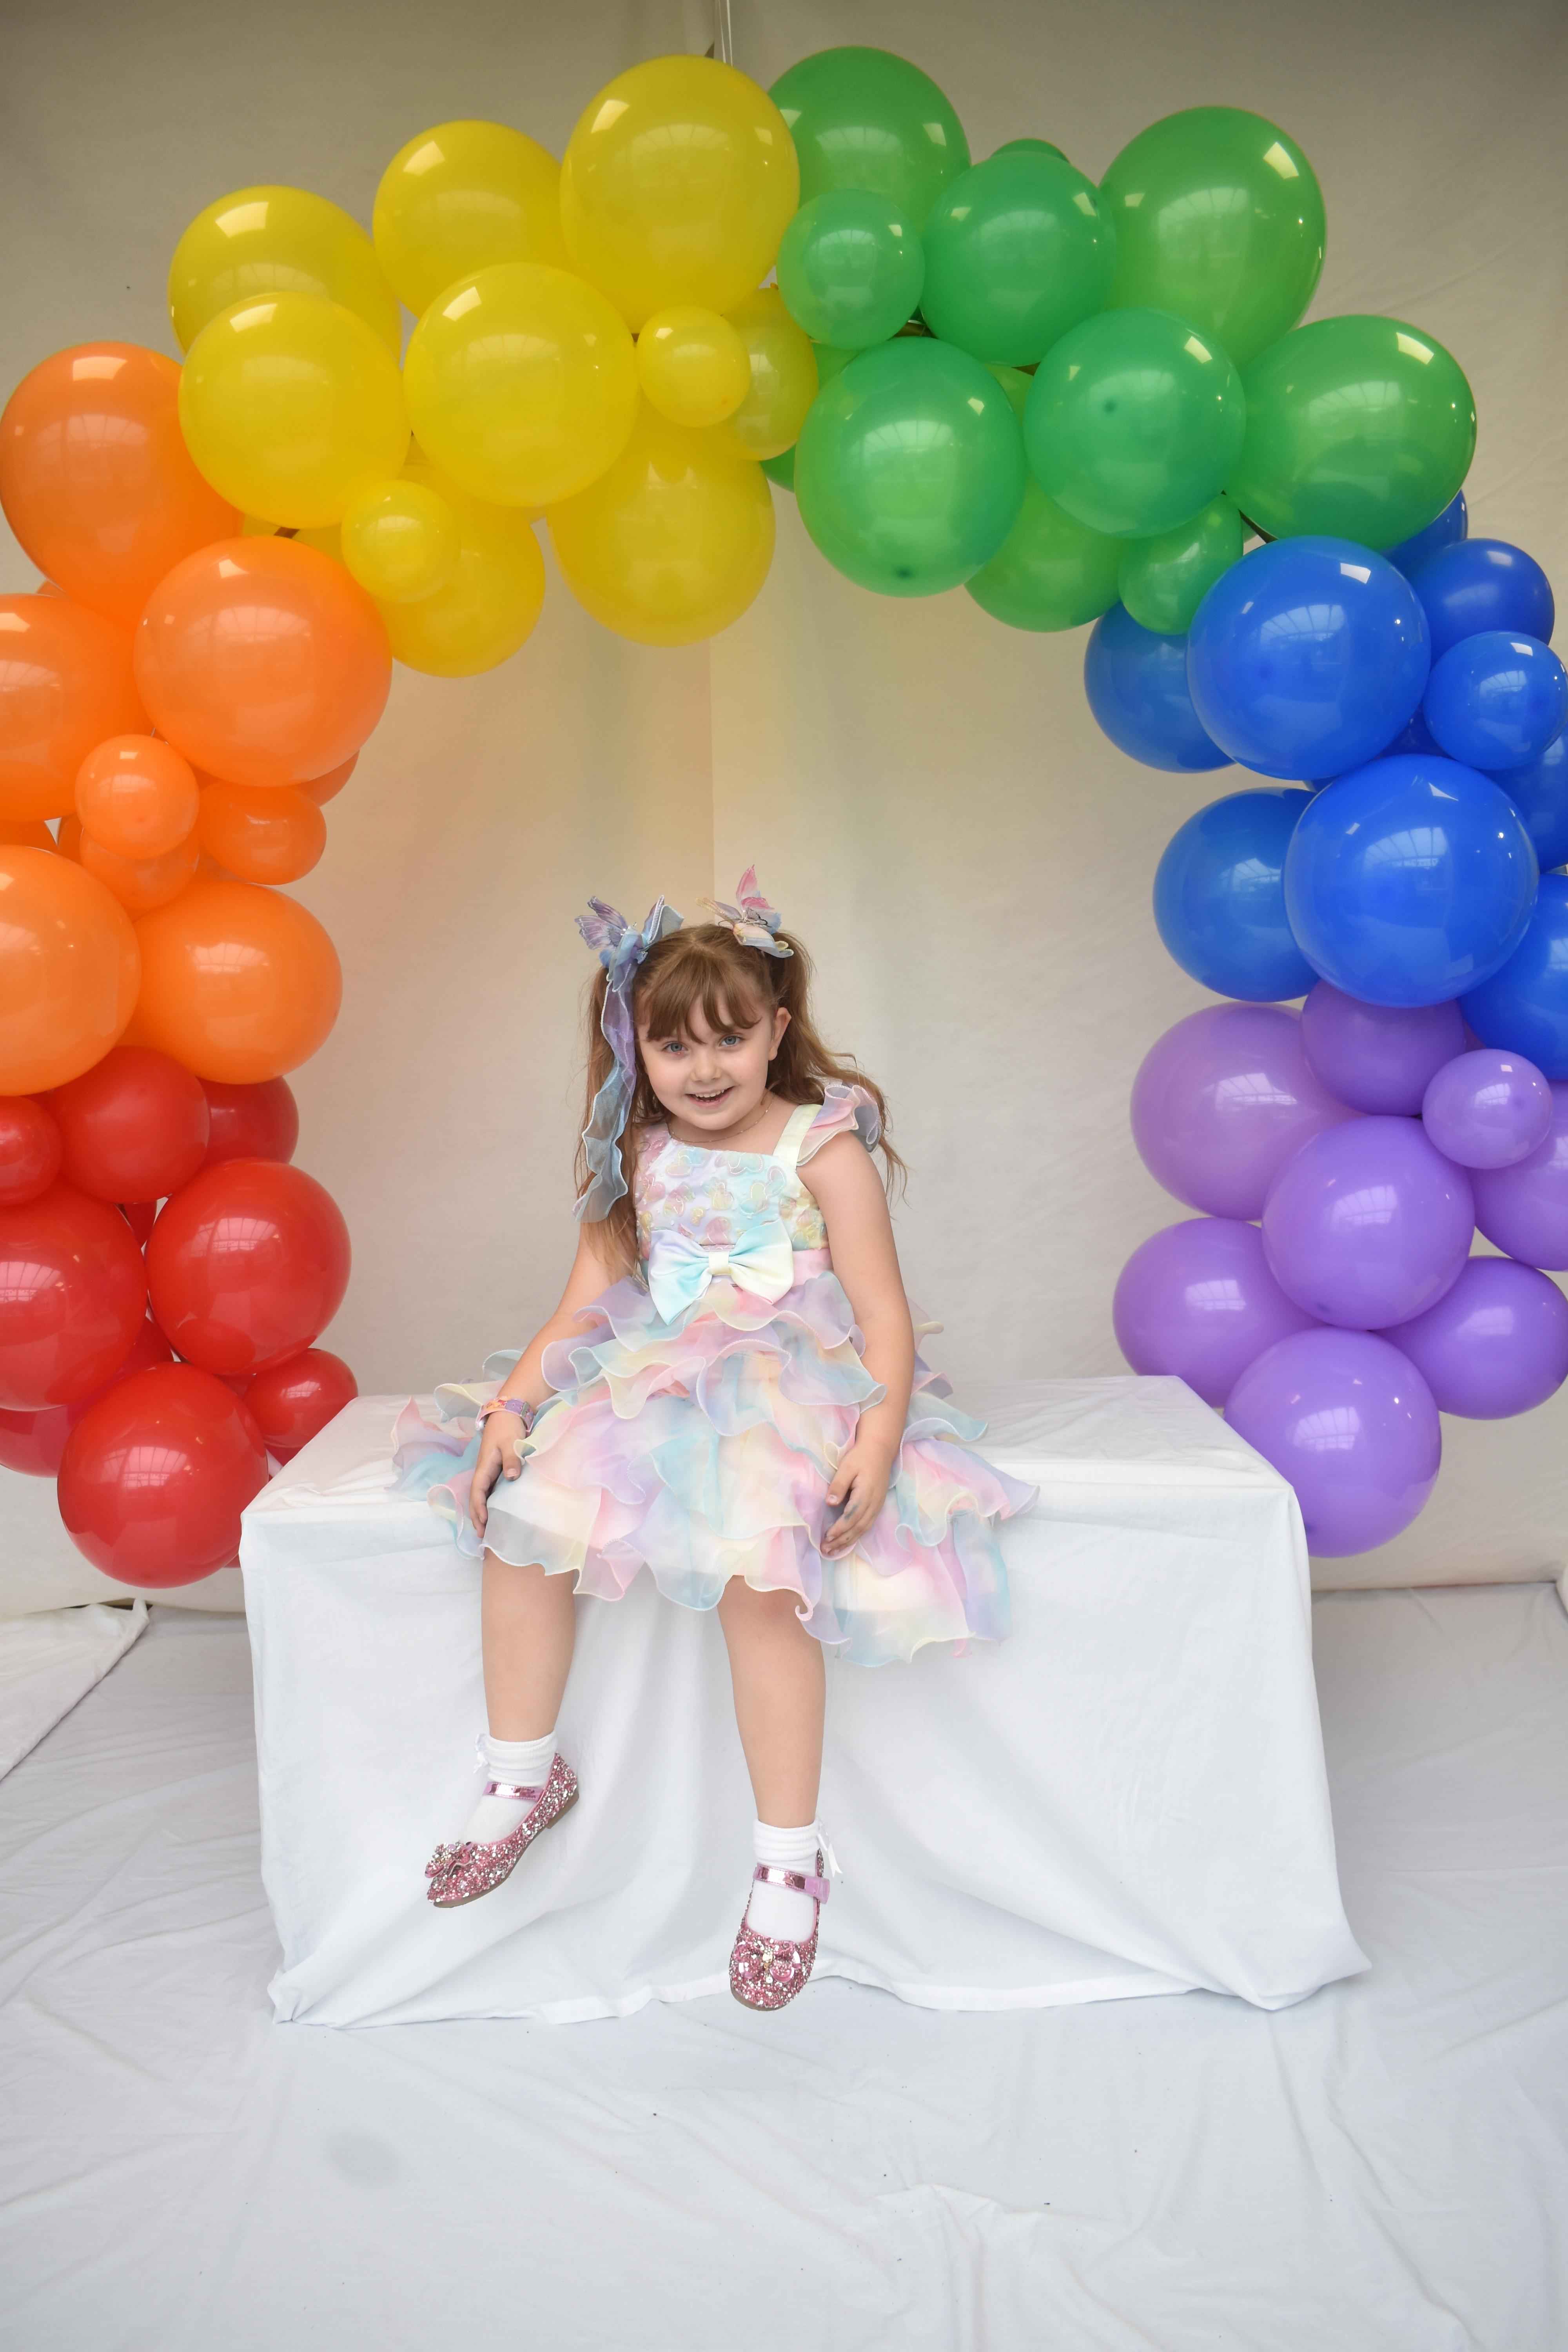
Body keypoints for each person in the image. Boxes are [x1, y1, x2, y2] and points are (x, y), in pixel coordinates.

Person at [407, 872, 1034, 2010]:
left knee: (763, 1577)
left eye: (730, 1040)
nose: (704, 1069)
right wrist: (509, 1409)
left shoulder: (821, 1147)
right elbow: (583, 1305)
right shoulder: (635, 1155)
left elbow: (884, 1313)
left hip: (786, 1384)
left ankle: (789, 1860)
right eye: (673, 1046)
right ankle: (519, 1777)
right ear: (634, 1050)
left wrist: (879, 1437)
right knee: (522, 1517)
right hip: (653, 1378)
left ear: (777, 1030)